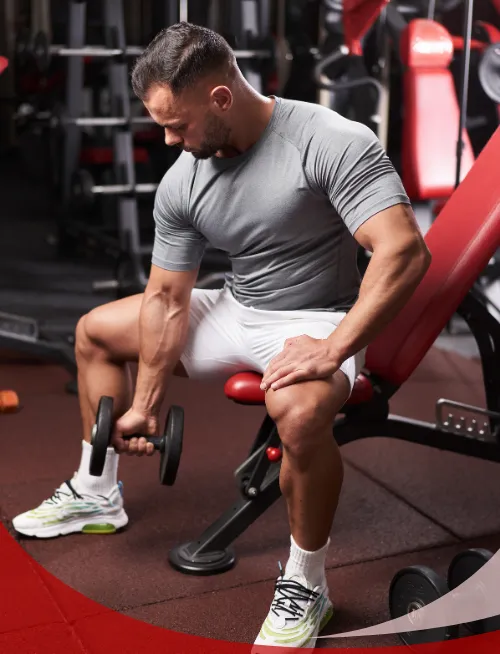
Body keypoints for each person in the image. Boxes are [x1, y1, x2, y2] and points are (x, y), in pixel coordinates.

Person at [12, 22, 431, 649]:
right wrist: (145, 405)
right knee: (94, 332)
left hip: (315, 318)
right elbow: (166, 299)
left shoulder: (330, 140)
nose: (168, 140)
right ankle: (97, 493)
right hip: (237, 306)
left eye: (177, 125)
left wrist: (334, 346)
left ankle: (307, 584)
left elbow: (403, 250)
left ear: (221, 97)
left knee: (297, 414)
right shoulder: (184, 178)